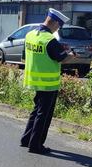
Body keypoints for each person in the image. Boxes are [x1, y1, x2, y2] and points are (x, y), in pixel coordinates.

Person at [20, 8, 77, 154]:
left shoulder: (30, 35)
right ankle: (36, 145)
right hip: (48, 83)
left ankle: (26, 140)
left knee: (36, 111)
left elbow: (23, 57)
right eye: (59, 26)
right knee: (43, 115)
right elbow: (62, 59)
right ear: (55, 23)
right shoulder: (49, 40)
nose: (58, 28)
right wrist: (72, 54)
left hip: (33, 80)